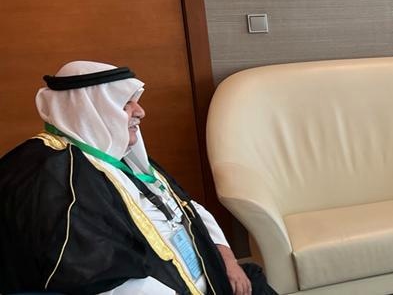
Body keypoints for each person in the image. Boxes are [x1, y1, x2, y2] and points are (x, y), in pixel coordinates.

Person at [0, 61, 277, 295]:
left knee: (254, 278)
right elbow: (106, 280)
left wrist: (227, 260)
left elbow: (186, 208)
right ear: (90, 110)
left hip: (209, 276)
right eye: (126, 104)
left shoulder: (112, 153)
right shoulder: (56, 176)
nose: (140, 112)